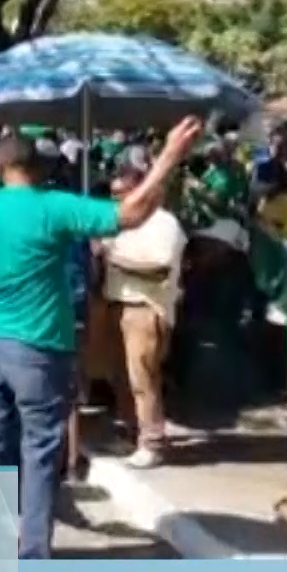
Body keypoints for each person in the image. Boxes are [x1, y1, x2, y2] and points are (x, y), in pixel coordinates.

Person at [0, 117, 201, 560]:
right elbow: (131, 214)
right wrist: (167, 157)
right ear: (38, 166)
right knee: (40, 451)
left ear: (0, 166)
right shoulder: (52, 206)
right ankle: (31, 555)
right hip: (40, 348)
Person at [94, 164, 189, 468]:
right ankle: (132, 430)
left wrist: (113, 257)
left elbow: (158, 269)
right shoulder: (117, 222)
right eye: (114, 194)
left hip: (146, 309)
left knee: (143, 378)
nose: (118, 199)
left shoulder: (164, 223)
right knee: (119, 376)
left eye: (123, 193)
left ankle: (153, 442)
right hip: (115, 304)